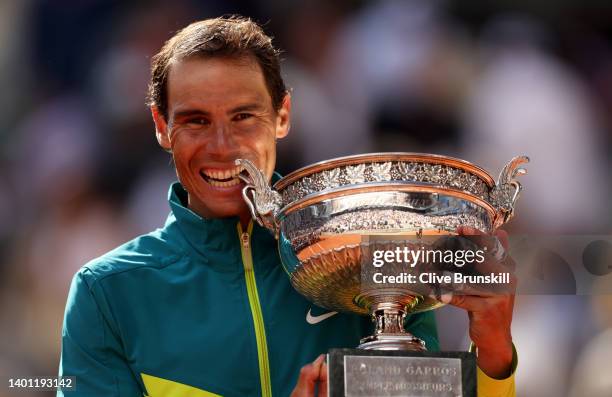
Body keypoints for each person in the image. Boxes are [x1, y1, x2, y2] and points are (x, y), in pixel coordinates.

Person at [58, 16, 517, 397]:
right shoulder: (109, 294)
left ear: (282, 116)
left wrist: (494, 356)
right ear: (161, 126)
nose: (222, 147)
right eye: (196, 121)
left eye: (244, 117)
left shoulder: (372, 250)